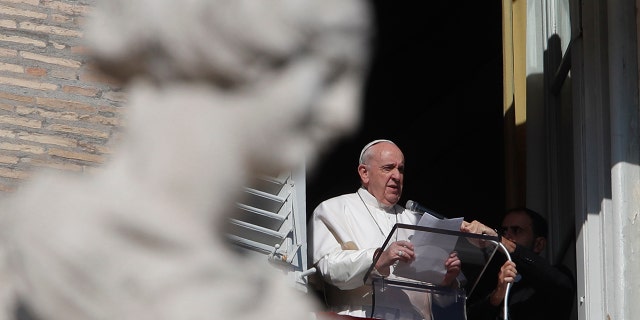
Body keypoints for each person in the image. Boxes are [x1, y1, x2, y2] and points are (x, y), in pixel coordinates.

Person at [309, 139, 462, 320]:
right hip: (359, 315)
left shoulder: (416, 220)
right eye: (388, 168)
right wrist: (377, 259)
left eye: (401, 169)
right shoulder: (334, 209)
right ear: (364, 173)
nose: (397, 176)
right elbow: (329, 268)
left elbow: (442, 302)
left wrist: (445, 280)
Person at [462, 208, 576, 320]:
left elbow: (560, 283)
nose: (508, 236)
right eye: (504, 231)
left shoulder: (554, 277)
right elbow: (469, 315)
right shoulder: (492, 277)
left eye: (516, 230)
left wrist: (499, 240)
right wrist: (496, 297)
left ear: (539, 244)